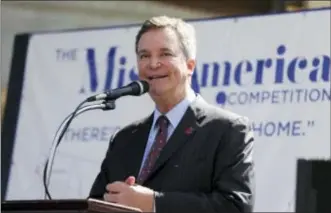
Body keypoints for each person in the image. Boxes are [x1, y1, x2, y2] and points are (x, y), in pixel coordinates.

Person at [89, 15, 255, 213]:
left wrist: (154, 203)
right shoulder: (124, 139)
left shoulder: (228, 130)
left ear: (190, 66)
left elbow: (235, 206)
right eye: (144, 55)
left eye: (165, 53)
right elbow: (95, 203)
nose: (153, 63)